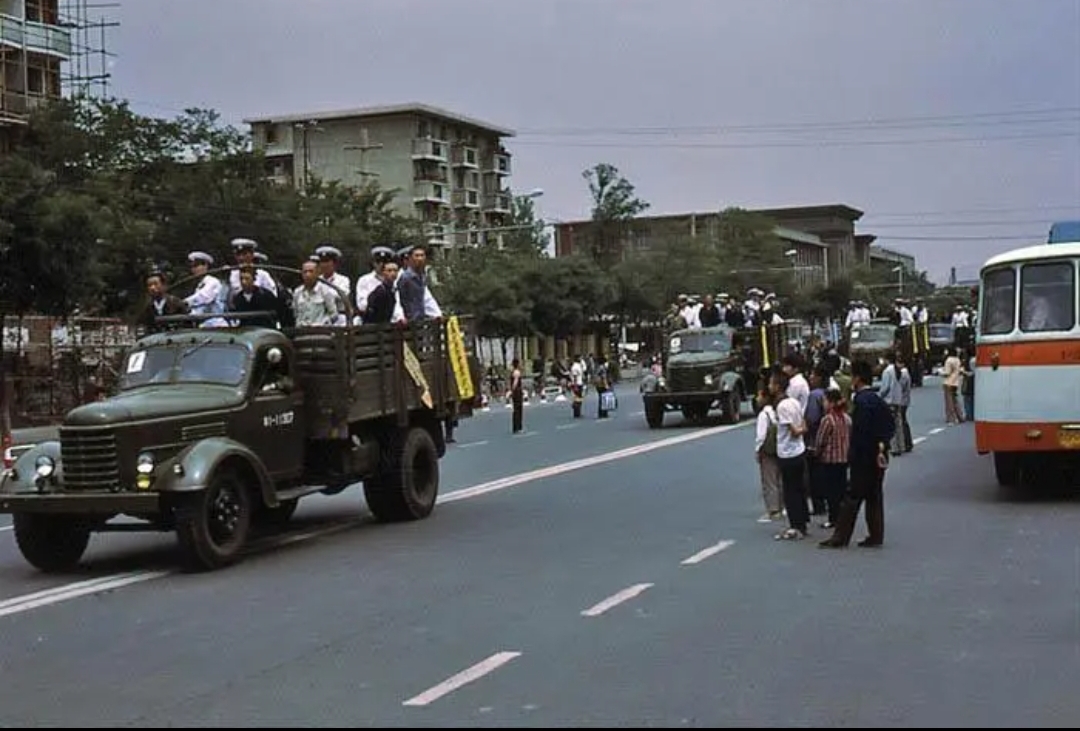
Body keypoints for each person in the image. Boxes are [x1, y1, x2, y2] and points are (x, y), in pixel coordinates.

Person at [820, 359, 895, 549]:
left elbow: (860, 432)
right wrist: (882, 445)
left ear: (858, 379)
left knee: (851, 498)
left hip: (863, 458)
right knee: (874, 497)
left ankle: (840, 537)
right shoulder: (877, 400)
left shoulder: (861, 401)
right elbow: (889, 425)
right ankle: (876, 535)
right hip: (879, 456)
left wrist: (854, 455)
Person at [773, 371, 809, 541]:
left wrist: (798, 431)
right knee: (799, 489)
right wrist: (801, 431)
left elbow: (794, 431)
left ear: (778, 387)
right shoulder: (794, 402)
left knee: (790, 491)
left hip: (788, 453)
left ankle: (796, 526)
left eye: (771, 383)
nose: (769, 386)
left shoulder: (782, 406)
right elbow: (803, 423)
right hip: (799, 450)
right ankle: (803, 522)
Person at [753, 386, 784, 523]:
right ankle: (781, 507)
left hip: (767, 450)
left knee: (769, 481)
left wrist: (757, 450)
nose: (757, 399)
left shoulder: (763, 415)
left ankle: (773, 510)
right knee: (779, 479)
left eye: (759, 395)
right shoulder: (776, 411)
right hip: (780, 448)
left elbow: (761, 436)